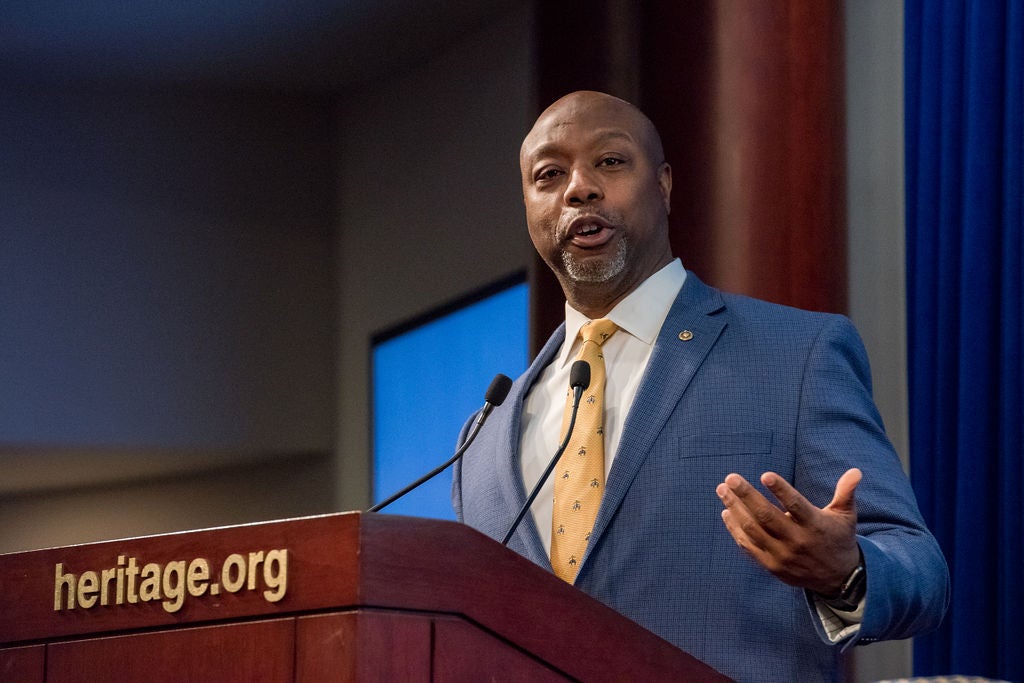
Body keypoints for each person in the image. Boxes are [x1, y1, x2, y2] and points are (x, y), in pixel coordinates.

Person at [452, 91, 949, 681]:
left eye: (610, 162)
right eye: (549, 175)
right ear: (528, 206)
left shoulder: (796, 355)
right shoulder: (481, 442)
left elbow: (920, 570)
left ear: (663, 185)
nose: (579, 188)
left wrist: (846, 572)